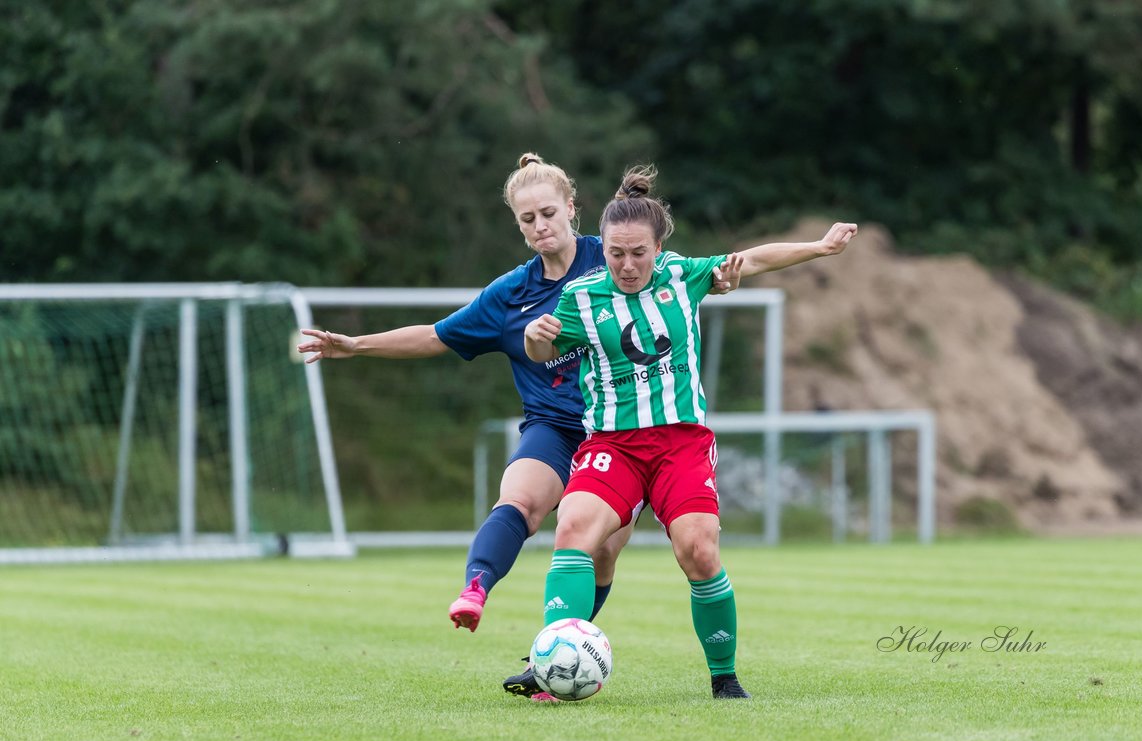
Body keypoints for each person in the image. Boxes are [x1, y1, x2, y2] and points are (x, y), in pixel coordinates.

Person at [298, 154, 739, 699]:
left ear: (573, 209)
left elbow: (687, 279)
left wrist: (719, 280)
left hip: (624, 433)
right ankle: (476, 588)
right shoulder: (509, 294)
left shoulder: (620, 256)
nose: (539, 226)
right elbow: (437, 336)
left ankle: (550, 657)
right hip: (556, 427)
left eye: (548, 213)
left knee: (601, 551)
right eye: (526, 219)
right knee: (522, 501)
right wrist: (358, 345)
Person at [521, 164, 857, 699]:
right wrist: (537, 337)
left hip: (681, 443)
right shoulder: (580, 298)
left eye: (639, 253)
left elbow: (752, 258)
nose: (627, 266)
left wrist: (819, 247)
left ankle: (724, 676)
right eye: (615, 254)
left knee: (698, 550)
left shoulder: (685, 276)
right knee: (573, 530)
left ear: (660, 247)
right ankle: (551, 665)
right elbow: (543, 352)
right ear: (601, 247)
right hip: (613, 445)